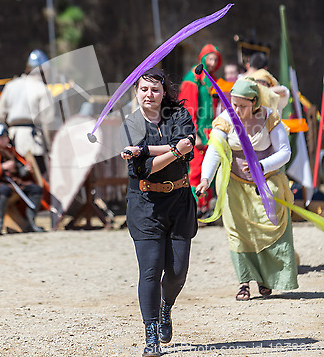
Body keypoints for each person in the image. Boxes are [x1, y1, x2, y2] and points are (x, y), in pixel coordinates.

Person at [196, 78, 298, 301]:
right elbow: (213, 151)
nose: (237, 109)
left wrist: (261, 166)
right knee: (239, 234)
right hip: (234, 184)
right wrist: (205, 179)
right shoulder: (225, 119)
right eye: (233, 104)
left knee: (269, 227)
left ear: (255, 102)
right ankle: (244, 282)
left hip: (266, 182)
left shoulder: (270, 117)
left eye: (242, 105)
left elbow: (284, 152)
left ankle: (267, 279)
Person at [120, 68, 197, 357]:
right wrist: (173, 151)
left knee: (177, 273)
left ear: (164, 92)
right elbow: (143, 168)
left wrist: (146, 149)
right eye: (143, 89)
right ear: (136, 93)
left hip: (179, 201)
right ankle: (150, 333)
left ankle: (167, 308)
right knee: (150, 271)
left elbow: (188, 145)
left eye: (154, 89)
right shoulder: (130, 124)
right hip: (145, 204)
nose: (149, 95)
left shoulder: (178, 115)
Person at [0, 49, 54, 175]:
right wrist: (51, 149)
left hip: (11, 142)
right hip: (33, 144)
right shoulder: (43, 89)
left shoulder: (11, 86)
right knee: (38, 182)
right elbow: (47, 123)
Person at [0, 123, 45, 234]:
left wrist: (26, 169)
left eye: (3, 137)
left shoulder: (11, 150)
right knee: (4, 190)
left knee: (36, 189)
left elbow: (19, 172)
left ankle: (31, 222)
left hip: (15, 182)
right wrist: (2, 168)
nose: (2, 140)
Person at [179, 44, 222, 216]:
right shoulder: (192, 79)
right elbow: (187, 109)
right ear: (202, 58)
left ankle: (204, 207)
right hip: (198, 134)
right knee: (195, 170)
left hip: (210, 132)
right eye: (210, 58)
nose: (212, 63)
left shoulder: (211, 80)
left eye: (216, 60)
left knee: (208, 171)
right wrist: (193, 133)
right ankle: (193, 208)